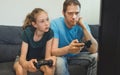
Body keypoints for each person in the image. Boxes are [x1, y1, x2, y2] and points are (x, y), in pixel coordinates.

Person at [50, 0, 98, 75]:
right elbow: (53, 52)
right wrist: (69, 49)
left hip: (76, 56)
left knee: (96, 56)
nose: (74, 17)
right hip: (61, 56)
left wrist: (83, 27)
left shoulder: (83, 24)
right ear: (63, 13)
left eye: (77, 13)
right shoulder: (55, 24)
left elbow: (94, 49)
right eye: (70, 13)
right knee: (59, 63)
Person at [13, 8, 56, 75]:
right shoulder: (27, 33)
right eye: (42, 21)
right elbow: (22, 59)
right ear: (34, 24)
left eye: (47, 19)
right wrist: (27, 64)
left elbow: (47, 56)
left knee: (50, 68)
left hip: (39, 60)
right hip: (24, 60)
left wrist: (52, 59)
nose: (47, 23)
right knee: (20, 69)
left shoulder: (50, 33)